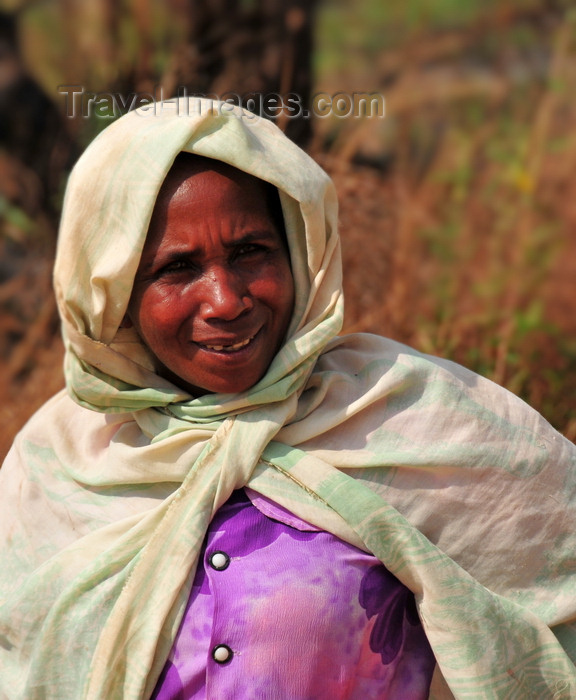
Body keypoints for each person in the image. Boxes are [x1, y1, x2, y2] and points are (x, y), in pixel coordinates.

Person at [0, 97, 575, 700]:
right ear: (111, 294)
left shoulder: (409, 413)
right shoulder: (56, 469)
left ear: (302, 253)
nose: (224, 300)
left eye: (250, 251)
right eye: (177, 268)